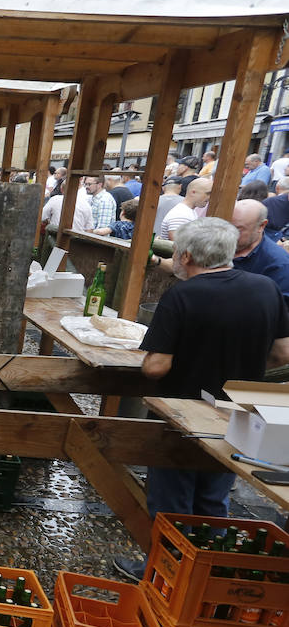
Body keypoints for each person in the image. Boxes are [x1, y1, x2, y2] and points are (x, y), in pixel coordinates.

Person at [113, 218, 289, 581]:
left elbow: (158, 366)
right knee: (213, 498)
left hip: (182, 413)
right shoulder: (265, 288)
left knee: (172, 499)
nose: (175, 257)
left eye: (177, 252)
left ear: (187, 256)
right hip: (239, 413)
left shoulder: (183, 294)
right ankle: (209, 575)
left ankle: (168, 574)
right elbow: (283, 353)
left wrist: (146, 360)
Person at [229, 199, 289, 299]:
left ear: (261, 226)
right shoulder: (219, 243)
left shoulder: (279, 264)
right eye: (228, 226)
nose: (230, 233)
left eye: (238, 228)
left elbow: (280, 308)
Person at [159, 177, 211, 241]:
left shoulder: (187, 211)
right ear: (193, 192)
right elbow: (179, 246)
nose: (209, 197)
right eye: (207, 193)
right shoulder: (182, 214)